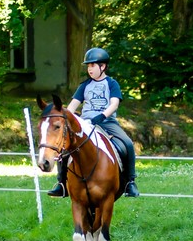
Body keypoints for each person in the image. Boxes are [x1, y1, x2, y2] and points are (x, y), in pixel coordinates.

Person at [47, 47, 140, 198]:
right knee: (65, 147)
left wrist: (101, 116)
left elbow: (114, 104)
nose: (89, 69)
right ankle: (62, 184)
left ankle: (130, 182)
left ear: (102, 66)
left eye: (92, 65)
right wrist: (66, 117)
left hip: (107, 122)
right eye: (88, 66)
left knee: (128, 144)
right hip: (85, 123)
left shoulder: (111, 83)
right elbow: (72, 106)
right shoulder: (84, 85)